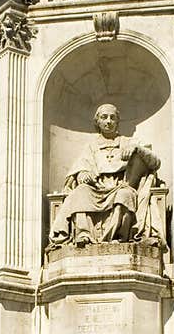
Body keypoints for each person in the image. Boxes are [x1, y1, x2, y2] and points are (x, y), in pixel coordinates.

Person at [49, 103, 162, 247]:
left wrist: (137, 149)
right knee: (79, 192)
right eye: (104, 117)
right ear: (98, 121)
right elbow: (79, 170)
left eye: (112, 117)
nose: (108, 121)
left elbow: (155, 163)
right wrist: (83, 175)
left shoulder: (129, 142)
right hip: (97, 188)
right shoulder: (91, 146)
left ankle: (119, 238)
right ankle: (84, 234)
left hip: (122, 186)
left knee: (125, 195)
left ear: (117, 121)